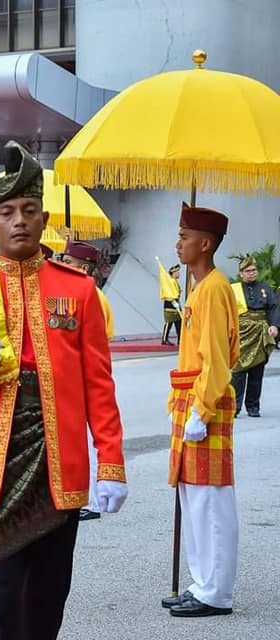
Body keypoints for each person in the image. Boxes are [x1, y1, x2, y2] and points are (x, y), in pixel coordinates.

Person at [0, 141, 127, 638]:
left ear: (43, 220)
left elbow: (99, 385)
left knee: (45, 603)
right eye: (6, 212)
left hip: (57, 469)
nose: (19, 220)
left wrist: (111, 464)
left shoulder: (79, 290)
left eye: (29, 210)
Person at [162, 203, 239, 618]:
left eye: (185, 237)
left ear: (205, 244)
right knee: (193, 496)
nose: (178, 244)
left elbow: (217, 360)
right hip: (190, 400)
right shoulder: (198, 287)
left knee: (210, 500)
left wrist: (202, 409)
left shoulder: (213, 289)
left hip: (203, 404)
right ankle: (202, 582)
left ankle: (217, 592)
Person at [60, 240, 116, 523]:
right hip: (75, 377)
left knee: (86, 439)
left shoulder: (91, 295)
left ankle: (92, 501)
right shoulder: (80, 293)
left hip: (83, 376)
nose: (62, 266)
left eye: (68, 262)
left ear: (83, 268)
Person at [229, 254, 278, 418]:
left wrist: (274, 325)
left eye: (254, 270)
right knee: (238, 372)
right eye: (248, 271)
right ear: (241, 273)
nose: (252, 273)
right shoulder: (234, 290)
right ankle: (234, 406)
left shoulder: (265, 288)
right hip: (241, 334)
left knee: (257, 372)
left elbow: (273, 308)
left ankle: (253, 406)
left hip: (260, 333)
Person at [162, 264, 183, 345]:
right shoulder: (170, 282)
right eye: (177, 272)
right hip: (170, 306)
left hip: (176, 306)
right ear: (173, 273)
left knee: (179, 324)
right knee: (168, 323)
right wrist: (174, 302)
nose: (178, 274)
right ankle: (164, 339)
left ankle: (180, 340)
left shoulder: (174, 281)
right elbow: (169, 294)